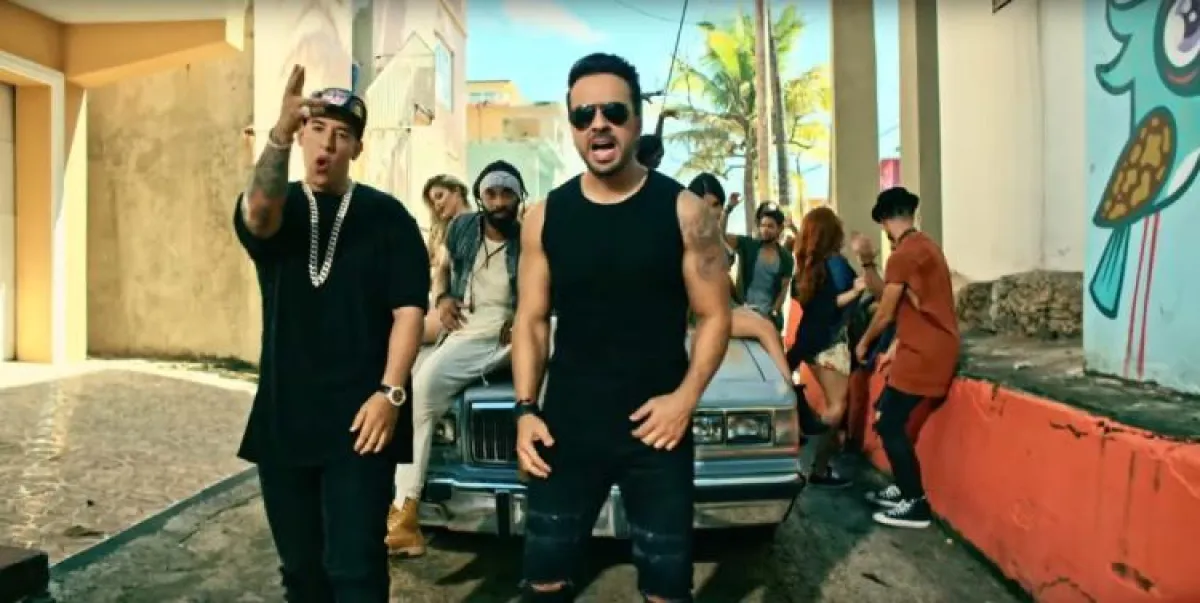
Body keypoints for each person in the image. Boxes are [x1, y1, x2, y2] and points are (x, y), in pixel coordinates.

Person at [511, 53, 732, 602]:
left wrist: (685, 400)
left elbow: (715, 315)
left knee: (665, 587)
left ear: (636, 120)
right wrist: (524, 410)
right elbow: (531, 320)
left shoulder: (685, 212)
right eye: (583, 115)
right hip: (566, 427)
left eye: (613, 111)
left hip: (657, 430)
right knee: (543, 580)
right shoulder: (545, 216)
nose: (598, 125)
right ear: (572, 127)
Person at [233, 67, 429, 601]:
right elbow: (258, 215)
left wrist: (391, 393)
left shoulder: (388, 217)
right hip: (285, 417)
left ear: (357, 148)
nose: (327, 144)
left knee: (356, 570)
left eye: (342, 135)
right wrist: (277, 133)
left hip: (363, 421)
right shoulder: (279, 204)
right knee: (301, 573)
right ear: (301, 136)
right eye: (317, 129)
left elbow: (409, 310)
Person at [387, 161, 526, 556]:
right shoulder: (462, 228)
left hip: (515, 333)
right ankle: (404, 516)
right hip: (468, 330)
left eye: (507, 193)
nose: (499, 202)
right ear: (480, 197)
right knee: (418, 389)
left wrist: (524, 316)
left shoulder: (529, 235)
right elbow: (443, 271)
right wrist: (444, 296)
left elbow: (547, 283)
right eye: (491, 194)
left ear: (519, 197)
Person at [853, 187, 960, 529]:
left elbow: (884, 309)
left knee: (888, 423)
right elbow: (915, 305)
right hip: (930, 347)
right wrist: (895, 347)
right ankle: (903, 488)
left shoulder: (902, 256)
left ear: (886, 220)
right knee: (890, 416)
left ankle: (915, 503)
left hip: (924, 354)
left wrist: (864, 344)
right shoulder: (927, 246)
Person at [785, 207, 865, 488]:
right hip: (832, 344)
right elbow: (832, 304)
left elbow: (809, 302)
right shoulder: (835, 264)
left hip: (810, 343)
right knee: (836, 407)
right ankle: (819, 469)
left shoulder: (807, 267)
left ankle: (816, 459)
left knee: (833, 407)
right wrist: (858, 289)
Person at [688, 173, 791, 380]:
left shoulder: (785, 258)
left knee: (768, 330)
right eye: (704, 204)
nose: (711, 210)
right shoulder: (687, 238)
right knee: (764, 329)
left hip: (737, 308)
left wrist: (765, 309)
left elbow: (783, 288)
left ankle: (788, 388)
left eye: (716, 204)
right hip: (703, 311)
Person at [720, 200, 795, 331]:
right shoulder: (749, 245)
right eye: (763, 225)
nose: (765, 230)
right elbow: (722, 236)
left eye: (770, 226)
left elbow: (783, 291)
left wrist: (773, 313)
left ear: (779, 229)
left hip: (768, 317)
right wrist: (727, 210)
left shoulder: (786, 258)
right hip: (745, 311)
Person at [420, 174, 472, 343]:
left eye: (439, 196)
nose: (436, 205)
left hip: (460, 308)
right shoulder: (444, 231)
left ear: (457, 192)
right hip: (441, 302)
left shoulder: (477, 223)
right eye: (432, 202)